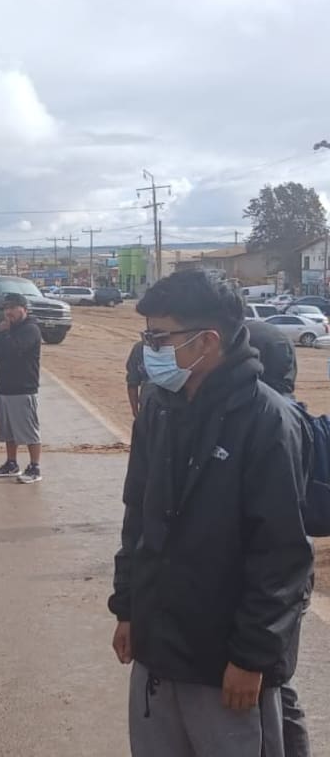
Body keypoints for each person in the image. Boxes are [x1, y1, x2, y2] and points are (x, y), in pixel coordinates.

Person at [109, 271, 312, 757]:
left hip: (225, 666)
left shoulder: (267, 422)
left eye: (160, 338)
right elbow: (138, 516)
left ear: (207, 341)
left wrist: (251, 657)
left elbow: (281, 556)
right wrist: (127, 609)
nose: (149, 351)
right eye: (147, 337)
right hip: (158, 650)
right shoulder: (159, 409)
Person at [244, 317, 308, 757]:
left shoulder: (271, 422)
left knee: (273, 687)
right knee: (278, 687)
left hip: (275, 583)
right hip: (285, 581)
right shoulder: (290, 414)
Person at [0, 293, 44, 484]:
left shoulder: (30, 329)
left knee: (28, 431)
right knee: (8, 432)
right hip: (4, 388)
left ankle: (34, 467)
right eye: (6, 308)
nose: (8, 312)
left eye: (12, 308)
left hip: (23, 389)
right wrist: (0, 334)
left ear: (24, 309)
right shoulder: (5, 330)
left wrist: (4, 334)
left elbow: (14, 350)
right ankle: (11, 463)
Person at [125, 340, 155, 418]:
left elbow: (132, 382)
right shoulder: (140, 348)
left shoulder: (179, 347)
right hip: (148, 407)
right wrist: (135, 412)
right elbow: (132, 382)